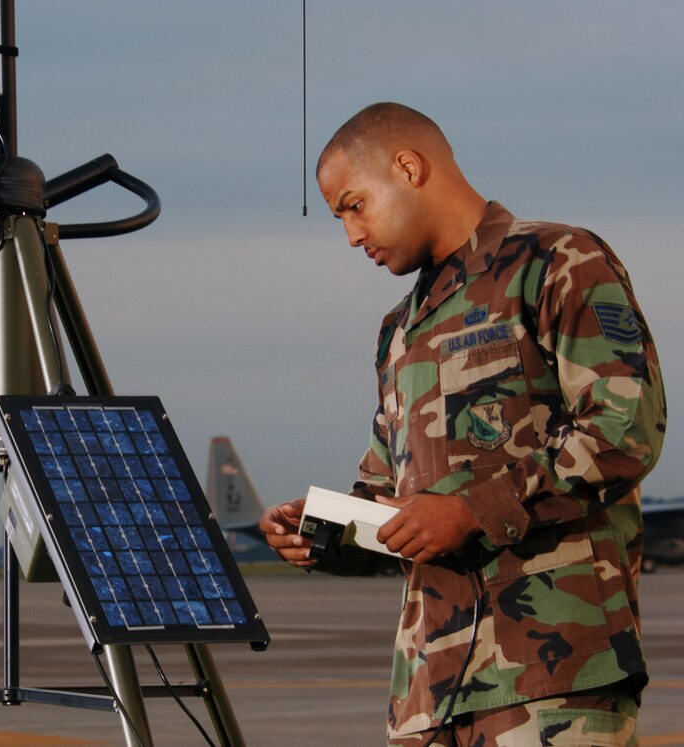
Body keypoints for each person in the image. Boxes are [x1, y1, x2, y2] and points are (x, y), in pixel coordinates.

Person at [260, 103, 666, 747]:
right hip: (429, 692)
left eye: (354, 205)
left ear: (409, 167)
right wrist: (323, 534)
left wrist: (473, 510)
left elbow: (625, 430)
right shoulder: (400, 329)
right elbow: (384, 500)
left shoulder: (558, 261)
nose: (351, 235)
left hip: (553, 676)